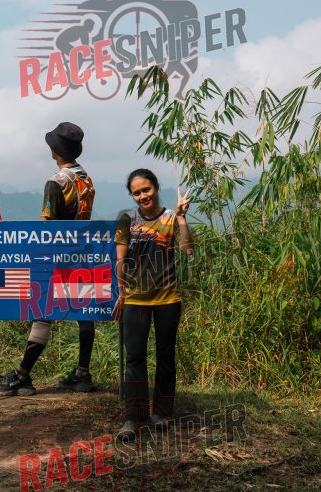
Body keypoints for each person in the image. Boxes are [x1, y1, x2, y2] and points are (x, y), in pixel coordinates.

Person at [0, 122, 97, 397]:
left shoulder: (56, 182)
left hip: (57, 257)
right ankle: (82, 373)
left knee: (42, 314)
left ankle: (22, 376)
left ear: (55, 150)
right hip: (83, 255)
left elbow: (46, 226)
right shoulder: (86, 179)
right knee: (84, 314)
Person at [113, 168, 194, 442]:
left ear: (156, 188)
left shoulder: (170, 217)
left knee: (165, 356)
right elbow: (120, 260)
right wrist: (121, 294)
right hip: (135, 299)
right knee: (135, 358)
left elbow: (187, 249)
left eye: (146, 189)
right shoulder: (127, 219)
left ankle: (161, 412)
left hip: (167, 299)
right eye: (136, 193)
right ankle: (132, 418)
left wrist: (181, 218)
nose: (142, 196)